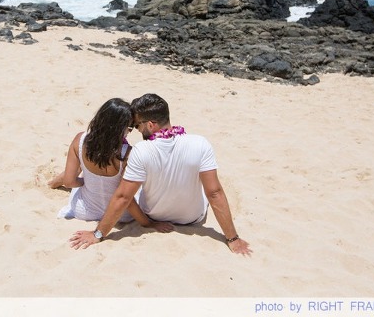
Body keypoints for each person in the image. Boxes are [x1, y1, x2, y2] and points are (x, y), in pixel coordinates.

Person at [69, 93, 252, 256]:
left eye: (137, 125)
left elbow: (124, 196)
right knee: (207, 187)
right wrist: (232, 238)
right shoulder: (200, 143)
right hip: (191, 218)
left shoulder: (140, 151)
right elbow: (214, 193)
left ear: (150, 124)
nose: (137, 130)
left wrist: (98, 234)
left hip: (154, 216)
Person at [53, 97, 172, 231]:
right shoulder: (127, 154)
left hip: (84, 210)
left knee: (84, 163)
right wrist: (148, 223)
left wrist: (85, 181)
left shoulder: (79, 140)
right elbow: (127, 200)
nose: (129, 132)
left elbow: (69, 182)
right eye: (130, 128)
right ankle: (53, 182)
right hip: (121, 216)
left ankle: (52, 183)